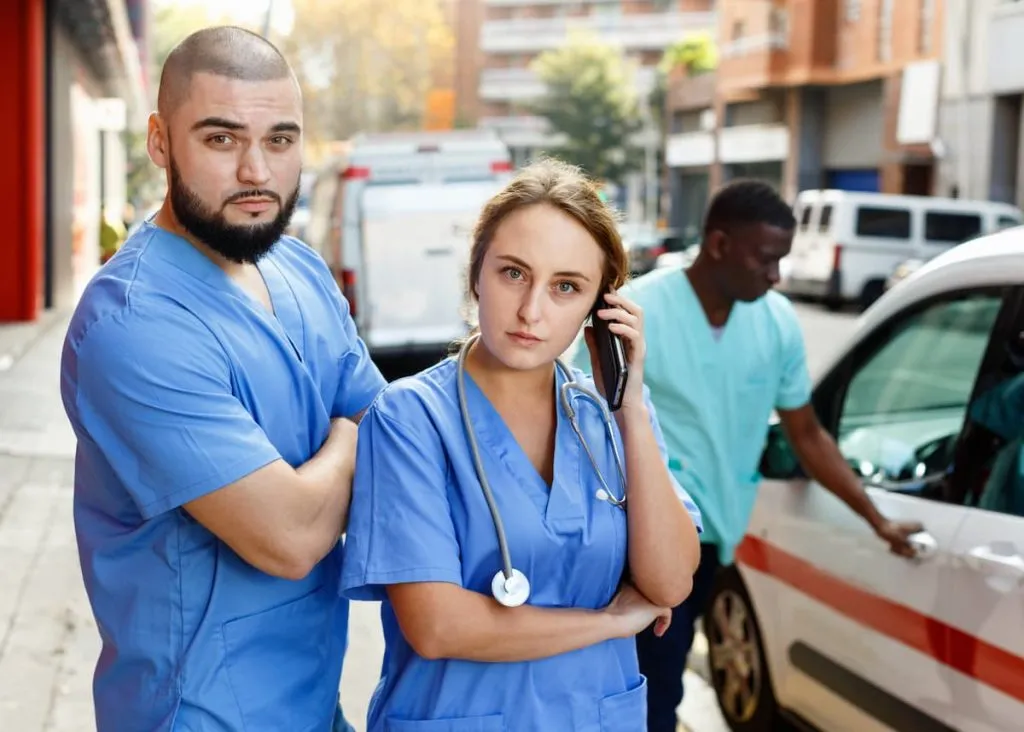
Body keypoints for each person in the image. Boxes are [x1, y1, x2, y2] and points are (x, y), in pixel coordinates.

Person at [59, 27, 384, 732]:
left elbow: (386, 427)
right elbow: (291, 538)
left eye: (280, 139)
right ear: (159, 141)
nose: (257, 173)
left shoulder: (297, 268)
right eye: (220, 139)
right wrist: (350, 435)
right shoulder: (131, 323)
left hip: (316, 701)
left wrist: (347, 441)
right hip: (199, 712)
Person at [340, 158, 704, 731]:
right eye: (514, 273)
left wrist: (631, 409)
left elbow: (669, 583)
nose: (533, 310)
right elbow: (438, 627)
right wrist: (611, 621)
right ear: (476, 273)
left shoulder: (611, 414)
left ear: (599, 309)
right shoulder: (411, 417)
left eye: (566, 287)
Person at [572, 179, 924, 732]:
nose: (776, 275)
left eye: (781, 261)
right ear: (718, 244)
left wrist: (877, 520)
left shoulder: (777, 321)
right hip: (640, 542)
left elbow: (806, 435)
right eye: (766, 259)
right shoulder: (637, 310)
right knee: (648, 694)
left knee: (665, 684)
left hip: (718, 539)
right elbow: (577, 419)